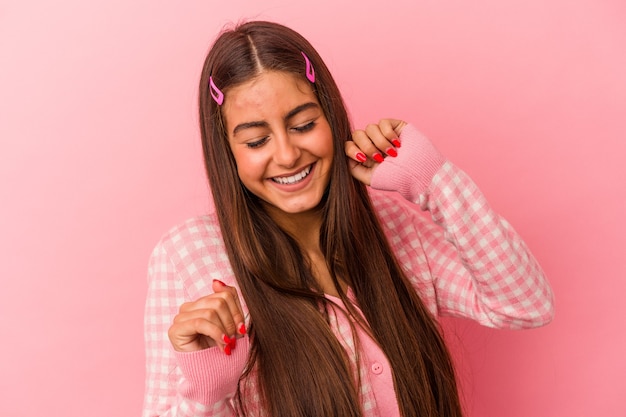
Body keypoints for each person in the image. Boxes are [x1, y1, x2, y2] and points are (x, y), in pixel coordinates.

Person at [142, 20, 554, 417]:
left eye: (303, 124)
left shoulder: (390, 224)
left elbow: (525, 305)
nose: (286, 155)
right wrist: (207, 390)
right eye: (256, 140)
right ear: (227, 152)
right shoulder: (187, 257)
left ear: (332, 117)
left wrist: (433, 178)